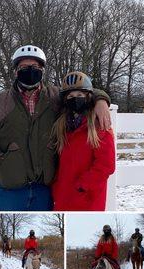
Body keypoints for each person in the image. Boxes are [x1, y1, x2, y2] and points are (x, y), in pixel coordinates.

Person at [0, 44, 111, 211]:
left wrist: (101, 99)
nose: (30, 71)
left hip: (43, 189)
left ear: (42, 70)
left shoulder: (55, 97)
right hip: (8, 187)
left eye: (35, 67)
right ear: (16, 71)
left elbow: (78, 89)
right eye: (24, 67)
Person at [51, 71, 115, 211]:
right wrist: (56, 186)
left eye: (80, 95)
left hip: (87, 197)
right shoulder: (63, 126)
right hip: (63, 196)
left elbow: (106, 165)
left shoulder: (99, 126)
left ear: (88, 97)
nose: (75, 99)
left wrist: (83, 185)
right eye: (71, 96)